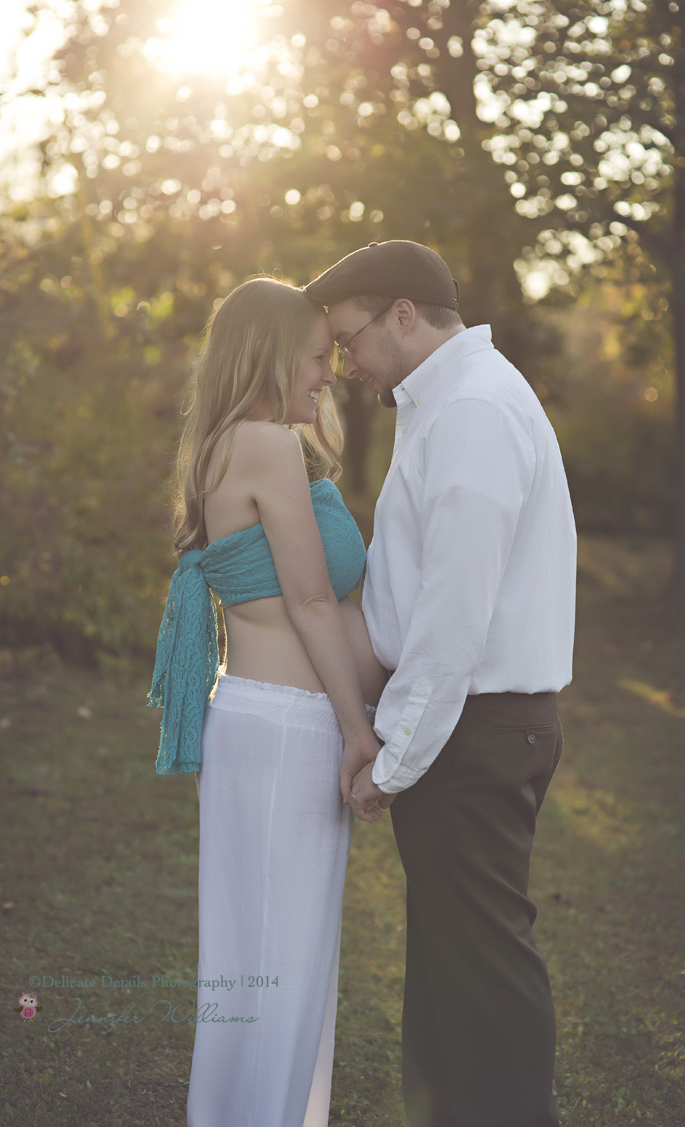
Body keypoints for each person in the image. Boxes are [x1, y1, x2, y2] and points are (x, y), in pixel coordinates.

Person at [303, 240, 577, 1127]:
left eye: (350, 339)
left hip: (478, 731)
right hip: (472, 727)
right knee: (449, 970)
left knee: (484, 972)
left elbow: (455, 612)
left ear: (403, 315)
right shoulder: (444, 403)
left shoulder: (474, 410)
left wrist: (395, 757)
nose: (347, 363)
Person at [147, 277, 389, 1127]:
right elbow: (313, 602)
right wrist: (359, 731)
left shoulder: (222, 441)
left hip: (256, 718)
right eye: (317, 357)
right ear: (270, 354)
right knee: (283, 959)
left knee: (250, 957)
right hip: (290, 728)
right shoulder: (267, 445)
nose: (328, 373)